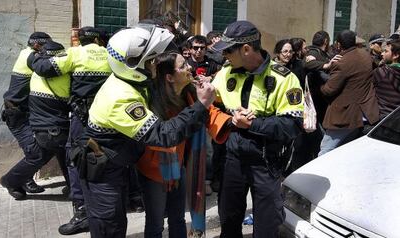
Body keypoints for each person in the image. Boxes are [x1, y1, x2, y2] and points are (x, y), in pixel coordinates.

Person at [78, 23, 216, 237]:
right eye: (151, 61)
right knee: (110, 228)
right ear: (135, 65)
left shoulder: (132, 80)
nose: (155, 66)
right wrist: (201, 106)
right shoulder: (121, 97)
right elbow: (163, 135)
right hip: (105, 173)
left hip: (117, 165)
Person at [212, 20, 304, 238]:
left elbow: (293, 125)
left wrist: (253, 124)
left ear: (246, 49)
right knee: (229, 220)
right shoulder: (225, 73)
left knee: (266, 227)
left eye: (228, 50)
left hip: (266, 163)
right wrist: (229, 119)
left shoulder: (284, 79)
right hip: (232, 159)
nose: (224, 55)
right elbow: (212, 106)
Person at [136, 52, 231, 238]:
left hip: (179, 165)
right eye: (182, 66)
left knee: (178, 218)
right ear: (169, 77)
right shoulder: (152, 98)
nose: (189, 68)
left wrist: (231, 121)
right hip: (154, 169)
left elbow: (209, 112)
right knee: (155, 223)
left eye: (187, 63)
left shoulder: (190, 92)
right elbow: (163, 135)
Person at [32, 26, 112, 235]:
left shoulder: (75, 53)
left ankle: (82, 212)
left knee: (74, 158)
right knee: (106, 157)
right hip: (107, 117)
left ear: (80, 39)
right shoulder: (110, 54)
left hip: (82, 117)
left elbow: (44, 68)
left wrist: (34, 56)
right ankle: (126, 200)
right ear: (98, 40)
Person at [0, 32, 51, 200]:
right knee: (36, 152)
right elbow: (47, 69)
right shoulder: (31, 57)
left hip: (24, 113)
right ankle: (10, 181)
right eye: (46, 46)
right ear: (37, 45)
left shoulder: (26, 53)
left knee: (41, 148)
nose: (47, 50)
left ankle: (24, 178)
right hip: (17, 114)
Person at [319, 30, 380, 156]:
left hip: (345, 115)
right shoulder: (365, 55)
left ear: (338, 45)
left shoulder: (342, 62)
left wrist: (319, 85)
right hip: (366, 111)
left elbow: (329, 90)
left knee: (326, 150)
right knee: (350, 151)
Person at [28, 40, 71, 192]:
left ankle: (12, 181)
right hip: (56, 124)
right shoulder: (65, 74)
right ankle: (12, 180)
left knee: (45, 155)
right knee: (47, 156)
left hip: (39, 123)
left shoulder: (35, 71)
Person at [373, 39, 400, 119]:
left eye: (386, 51)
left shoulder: (383, 72)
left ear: (396, 55)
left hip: (384, 120)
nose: (382, 53)